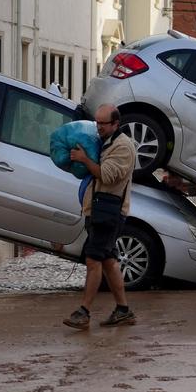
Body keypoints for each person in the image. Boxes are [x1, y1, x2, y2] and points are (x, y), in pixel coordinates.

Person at [63, 104, 138, 330]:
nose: (99, 127)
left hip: (109, 213)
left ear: (116, 124)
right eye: (97, 122)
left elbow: (106, 175)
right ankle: (123, 310)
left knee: (93, 259)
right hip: (98, 211)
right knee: (108, 260)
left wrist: (85, 159)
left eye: (103, 124)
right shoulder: (105, 141)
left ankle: (83, 312)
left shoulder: (124, 147)